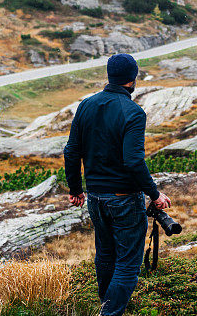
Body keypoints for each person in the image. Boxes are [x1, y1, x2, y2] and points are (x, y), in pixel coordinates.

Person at [64, 53, 171, 316]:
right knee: (127, 264)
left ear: (109, 75)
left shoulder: (86, 105)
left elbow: (70, 151)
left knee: (105, 256)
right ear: (133, 78)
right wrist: (155, 195)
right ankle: (109, 313)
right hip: (124, 199)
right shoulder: (133, 112)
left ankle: (107, 306)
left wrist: (76, 189)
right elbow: (134, 161)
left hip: (96, 198)